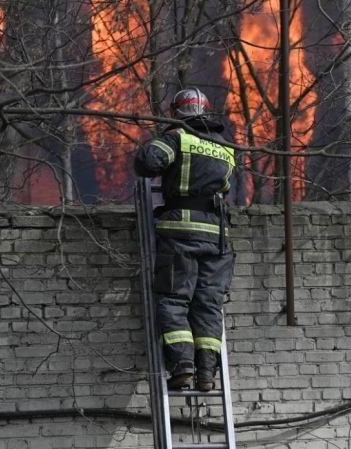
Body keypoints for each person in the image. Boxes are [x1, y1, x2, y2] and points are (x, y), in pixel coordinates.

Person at [133, 87, 235, 391]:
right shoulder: (225, 146)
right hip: (218, 239)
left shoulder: (178, 138)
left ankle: (183, 368)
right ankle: (206, 374)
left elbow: (147, 164)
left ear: (177, 112)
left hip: (182, 235)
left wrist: (161, 139)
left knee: (175, 298)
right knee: (207, 305)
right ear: (204, 111)